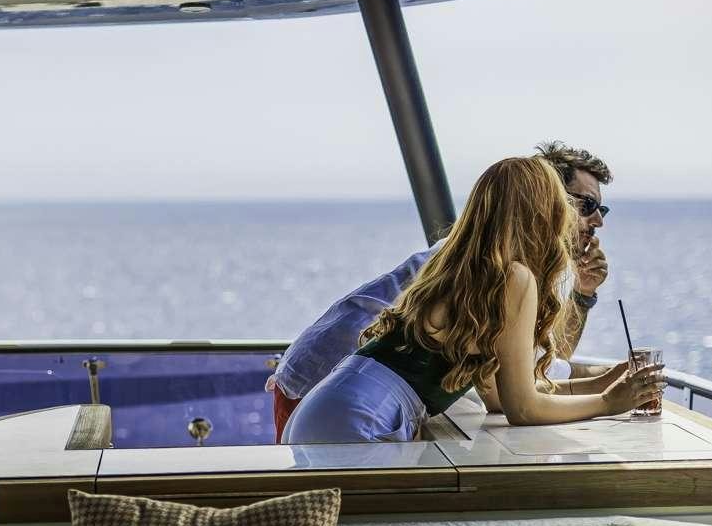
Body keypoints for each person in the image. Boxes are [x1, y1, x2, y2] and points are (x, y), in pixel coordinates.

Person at [280, 156, 660, 444]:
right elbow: (522, 409)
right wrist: (610, 404)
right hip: (361, 419)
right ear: (544, 211)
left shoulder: (463, 266)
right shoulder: (515, 278)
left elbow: (499, 397)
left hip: (328, 407)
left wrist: (604, 386)